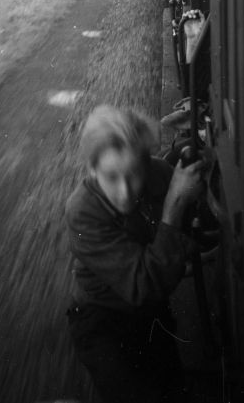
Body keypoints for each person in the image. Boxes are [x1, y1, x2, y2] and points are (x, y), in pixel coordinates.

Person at [65, 105, 208, 403]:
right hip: (102, 320)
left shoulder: (159, 173)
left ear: (146, 162)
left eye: (134, 175)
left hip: (151, 313)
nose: (125, 191)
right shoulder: (82, 212)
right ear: (92, 169)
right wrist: (175, 204)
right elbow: (143, 285)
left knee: (173, 389)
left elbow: (195, 226)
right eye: (111, 177)